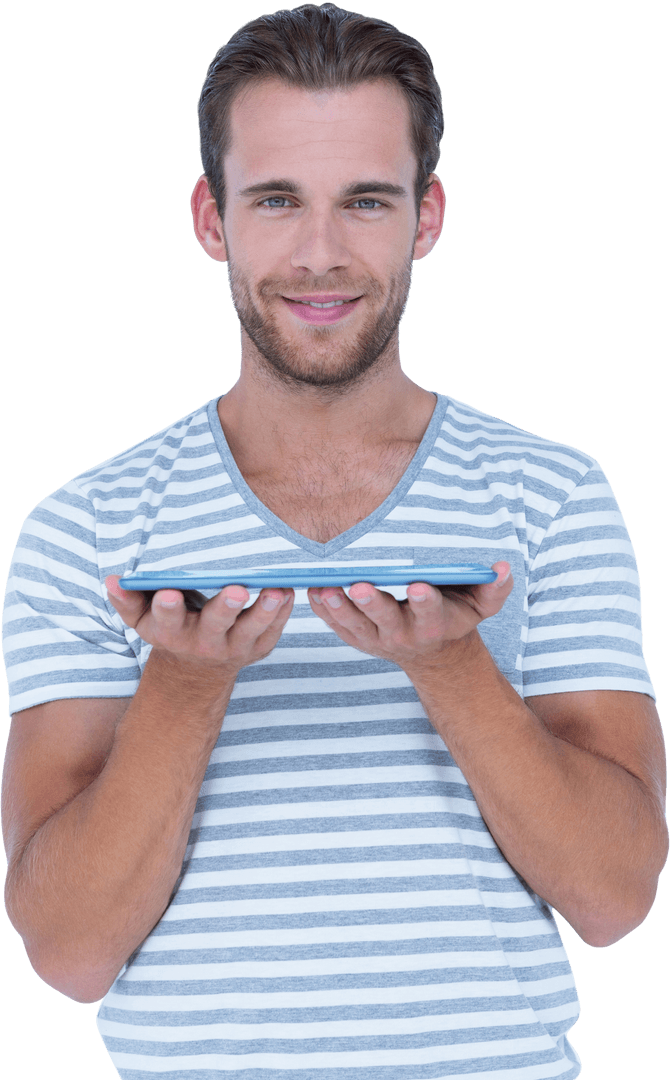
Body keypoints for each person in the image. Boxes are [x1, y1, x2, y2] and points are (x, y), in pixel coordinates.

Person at [1, 4, 667, 1078]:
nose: (320, 255)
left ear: (427, 216)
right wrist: (183, 683)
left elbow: (613, 899)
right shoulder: (85, 526)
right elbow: (69, 953)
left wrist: (451, 666)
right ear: (212, 221)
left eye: (365, 200)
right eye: (276, 201)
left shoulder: (555, 495)